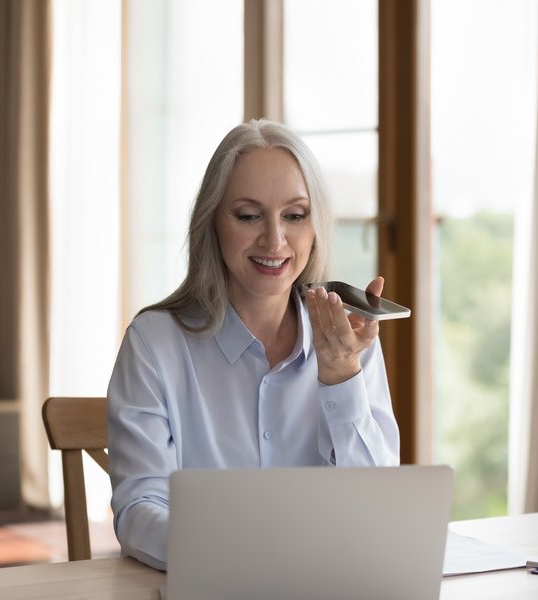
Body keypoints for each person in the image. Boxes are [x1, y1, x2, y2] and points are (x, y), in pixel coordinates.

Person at [107, 119, 401, 571]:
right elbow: (140, 510)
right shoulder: (154, 343)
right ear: (213, 222)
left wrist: (342, 376)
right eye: (248, 215)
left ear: (315, 226)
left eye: (295, 215)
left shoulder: (349, 339)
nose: (274, 239)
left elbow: (382, 513)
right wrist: (234, 556)